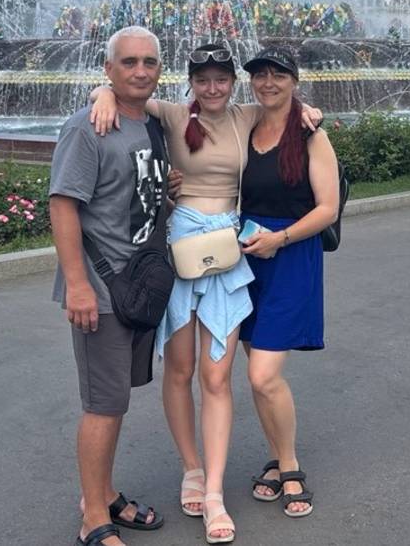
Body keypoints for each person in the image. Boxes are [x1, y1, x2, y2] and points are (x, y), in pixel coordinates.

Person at [87, 42, 319, 544]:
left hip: (226, 254)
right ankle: (191, 468)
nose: (212, 88)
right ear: (191, 82)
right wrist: (102, 93)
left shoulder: (245, 115)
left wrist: (310, 111)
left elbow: (285, 106)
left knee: (217, 377)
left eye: (221, 79)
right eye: (203, 79)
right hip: (180, 250)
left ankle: (214, 492)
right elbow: (127, 93)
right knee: (181, 369)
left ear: (232, 82)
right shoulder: (173, 115)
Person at [50, 26, 169, 546]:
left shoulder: (152, 125)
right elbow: (63, 205)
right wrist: (77, 284)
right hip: (100, 291)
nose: (140, 71)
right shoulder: (87, 127)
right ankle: (93, 517)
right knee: (102, 404)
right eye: (129, 62)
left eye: (149, 62)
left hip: (139, 285)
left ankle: (106, 493)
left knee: (116, 400)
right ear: (108, 70)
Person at [238, 47, 339, 524]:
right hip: (245, 261)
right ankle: (278, 459)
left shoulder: (310, 133)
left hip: (291, 255)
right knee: (257, 372)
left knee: (263, 375)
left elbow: (327, 208)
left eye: (278, 74)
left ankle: (291, 463)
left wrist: (279, 239)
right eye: (260, 75)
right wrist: (104, 94)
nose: (268, 82)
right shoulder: (245, 126)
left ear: (294, 80)